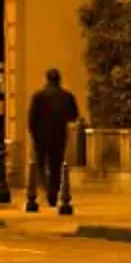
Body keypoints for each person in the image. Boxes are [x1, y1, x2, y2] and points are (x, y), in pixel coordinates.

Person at [27, 69, 79, 208]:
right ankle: (54, 189)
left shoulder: (38, 97)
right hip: (58, 135)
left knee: (41, 164)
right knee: (56, 164)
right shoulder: (66, 96)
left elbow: (31, 119)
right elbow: (73, 115)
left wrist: (34, 134)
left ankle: (46, 186)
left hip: (41, 136)